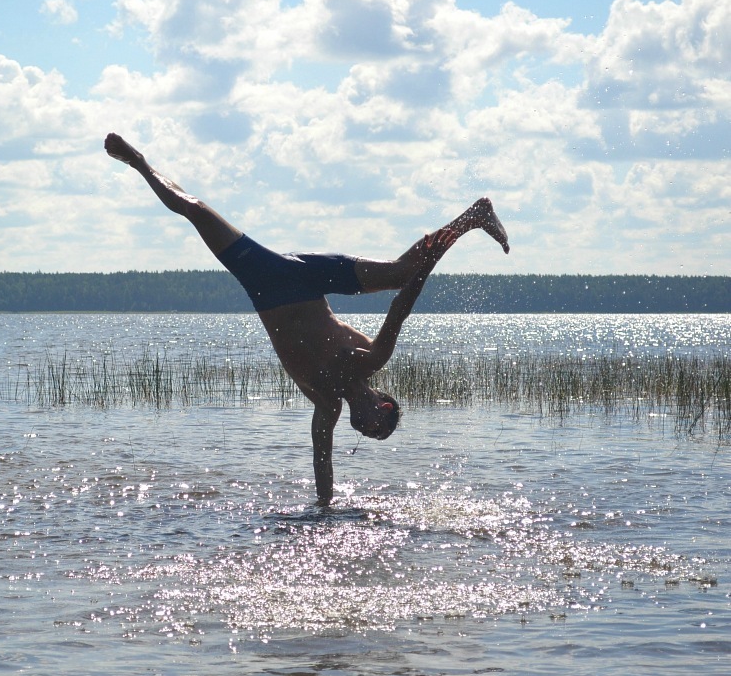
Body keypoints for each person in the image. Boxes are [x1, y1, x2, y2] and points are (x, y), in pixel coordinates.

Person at [104, 133, 509, 505]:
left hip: (266, 286)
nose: (364, 433)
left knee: (195, 212)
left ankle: (139, 163)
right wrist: (428, 264)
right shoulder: (371, 358)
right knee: (402, 273)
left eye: (369, 436)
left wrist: (323, 509)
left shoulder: (326, 403)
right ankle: (474, 216)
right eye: (375, 429)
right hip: (303, 275)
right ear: (383, 406)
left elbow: (322, 460)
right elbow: (400, 309)